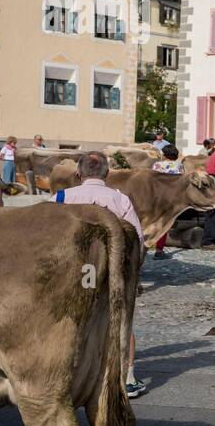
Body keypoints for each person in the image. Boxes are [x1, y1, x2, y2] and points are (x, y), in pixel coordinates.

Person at [56, 151, 147, 398]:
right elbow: (137, 239)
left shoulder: (62, 198)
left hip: (72, 270)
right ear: (107, 173)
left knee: (71, 320)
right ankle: (127, 380)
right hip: (111, 267)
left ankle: (68, 378)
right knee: (120, 319)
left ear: (78, 174)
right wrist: (134, 274)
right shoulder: (120, 200)